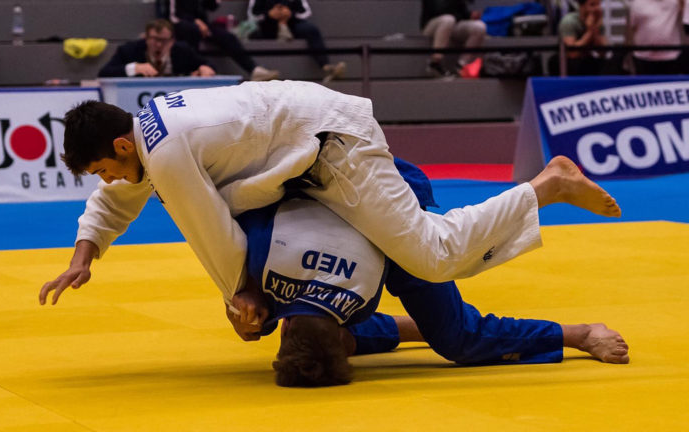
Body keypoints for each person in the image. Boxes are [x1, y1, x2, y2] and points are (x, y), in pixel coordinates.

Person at [38, 81, 621, 314]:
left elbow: (207, 230)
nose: (107, 180)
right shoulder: (147, 131)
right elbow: (124, 192)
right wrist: (84, 253)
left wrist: (238, 297)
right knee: (427, 248)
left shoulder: (162, 151)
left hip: (332, 147)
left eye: (102, 168)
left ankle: (547, 185)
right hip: (308, 150)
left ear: (120, 143)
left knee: (432, 255)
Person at [225, 160, 629, 386]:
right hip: (344, 170)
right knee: (427, 319)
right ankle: (421, 328)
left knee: (457, 335)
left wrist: (239, 294)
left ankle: (580, 331)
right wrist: (239, 295)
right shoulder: (253, 275)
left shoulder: (359, 288)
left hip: (386, 198)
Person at [164, 0, 279, 81]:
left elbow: (212, 6)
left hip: (203, 26)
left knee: (228, 37)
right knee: (191, 31)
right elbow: (172, 16)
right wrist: (194, 21)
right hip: (179, 26)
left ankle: (254, 69)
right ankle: (194, 72)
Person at [247, 0, 346, 83]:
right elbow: (251, 15)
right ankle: (259, 71)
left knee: (311, 30)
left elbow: (305, 12)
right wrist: (269, 14)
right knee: (252, 34)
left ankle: (327, 66)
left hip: (292, 24)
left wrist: (290, 14)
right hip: (267, 26)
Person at [99, 19, 215, 78]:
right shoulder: (129, 50)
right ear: (146, 38)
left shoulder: (182, 50)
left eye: (164, 41)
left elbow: (208, 64)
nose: (159, 45)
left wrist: (205, 67)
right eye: (154, 39)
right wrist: (134, 68)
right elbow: (104, 73)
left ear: (172, 41)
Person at [420, 0, 487, 78]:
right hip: (433, 24)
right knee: (448, 20)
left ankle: (461, 66)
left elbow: (461, 12)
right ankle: (435, 63)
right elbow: (438, 10)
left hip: (454, 23)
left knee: (479, 27)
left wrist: (470, 15)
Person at [627, 0, 683, 75]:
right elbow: (631, 29)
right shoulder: (637, 4)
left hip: (672, 57)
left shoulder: (675, 3)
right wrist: (628, 54)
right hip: (643, 57)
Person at [556, 0, 610, 75]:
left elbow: (602, 52)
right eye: (592, 5)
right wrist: (590, 31)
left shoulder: (597, 22)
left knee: (607, 65)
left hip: (587, 61)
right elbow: (573, 54)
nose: (597, 8)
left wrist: (595, 29)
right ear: (582, 7)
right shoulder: (569, 21)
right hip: (567, 64)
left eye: (598, 5)